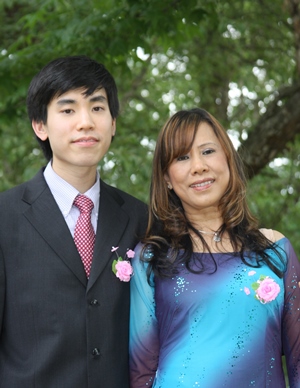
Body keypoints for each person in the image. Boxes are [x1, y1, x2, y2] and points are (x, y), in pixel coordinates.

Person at [0, 55, 148, 387]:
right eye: (68, 110)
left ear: (113, 123)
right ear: (40, 125)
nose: (85, 122)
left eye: (97, 108)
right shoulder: (5, 217)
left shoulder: (139, 217)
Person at [129, 108, 300, 387]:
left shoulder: (275, 251)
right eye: (182, 157)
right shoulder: (151, 258)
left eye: (208, 151)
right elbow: (141, 371)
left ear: (228, 160)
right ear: (167, 179)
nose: (198, 166)